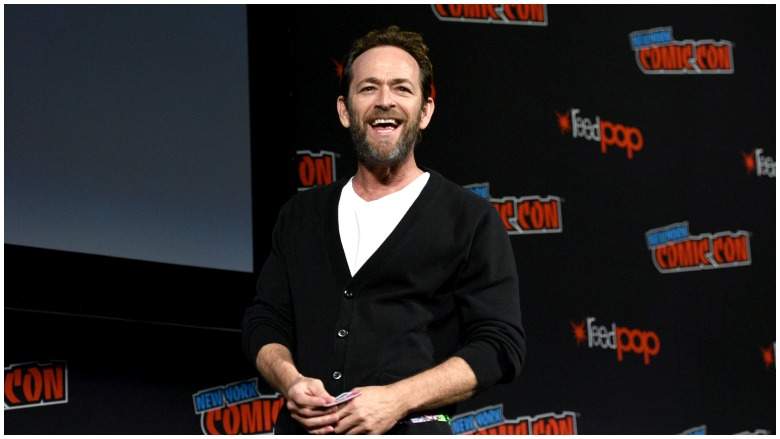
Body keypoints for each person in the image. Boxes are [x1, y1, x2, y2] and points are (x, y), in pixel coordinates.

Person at [242, 26, 526, 435]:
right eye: (368, 88)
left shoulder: (469, 220)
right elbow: (265, 321)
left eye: (402, 88)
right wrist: (290, 380)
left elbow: (500, 346)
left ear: (425, 111)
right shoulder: (301, 216)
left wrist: (397, 400)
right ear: (345, 110)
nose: (385, 101)